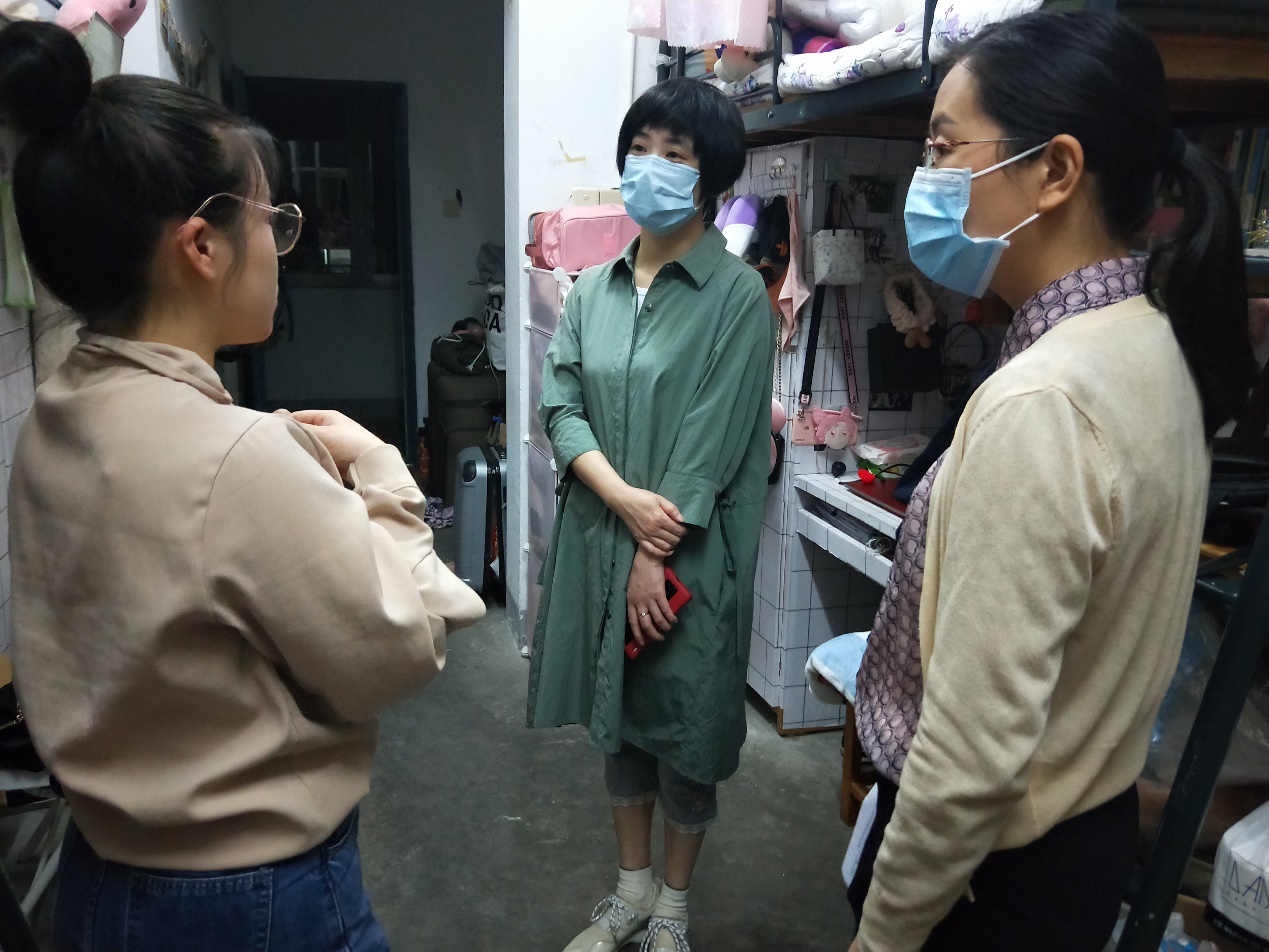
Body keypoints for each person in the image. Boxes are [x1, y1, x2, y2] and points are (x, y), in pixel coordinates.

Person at [0, 21, 485, 952]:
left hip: (102, 884)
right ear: (202, 246)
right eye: (273, 220)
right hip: (248, 903)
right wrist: (384, 472)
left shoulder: (59, 413)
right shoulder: (240, 457)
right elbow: (395, 650)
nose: (281, 244)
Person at [847, 10, 1255, 952]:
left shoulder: (1044, 399)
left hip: (992, 881)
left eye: (944, 149)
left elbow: (970, 755)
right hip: (1075, 846)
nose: (927, 178)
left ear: (1055, 171)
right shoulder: (1149, 344)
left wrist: (883, 935)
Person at [528, 78, 774, 952]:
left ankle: (671, 909)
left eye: (676, 154)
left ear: (711, 180)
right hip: (604, 537)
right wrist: (622, 501)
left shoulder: (736, 296)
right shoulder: (593, 289)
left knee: (684, 730)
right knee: (620, 727)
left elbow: (709, 442)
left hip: (686, 559)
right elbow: (559, 407)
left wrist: (651, 552)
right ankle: (629, 894)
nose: (651, 167)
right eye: (641, 148)